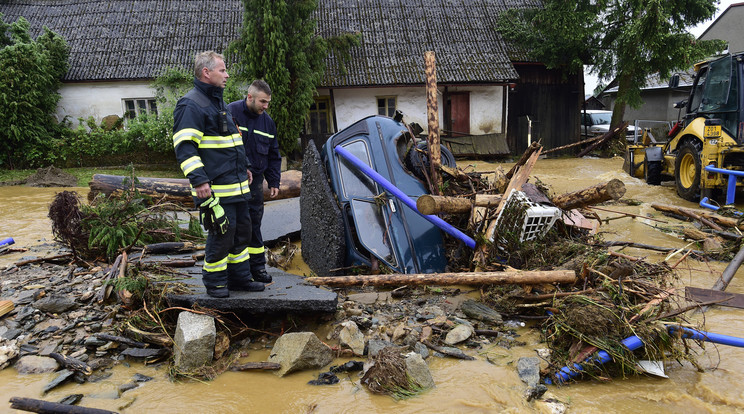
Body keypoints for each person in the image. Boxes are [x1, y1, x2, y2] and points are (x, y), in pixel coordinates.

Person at [172, 51, 264, 298]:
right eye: (222, 70)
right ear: (206, 72)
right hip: (215, 189)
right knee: (222, 234)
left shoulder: (219, 103)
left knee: (241, 232)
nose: (227, 74)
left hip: (236, 186)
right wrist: (199, 180)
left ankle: (240, 279)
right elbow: (185, 146)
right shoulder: (191, 104)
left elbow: (232, 143)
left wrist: (243, 166)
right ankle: (215, 282)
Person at [227, 80, 282, 284]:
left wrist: (274, 181)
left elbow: (274, 154)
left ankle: (257, 268)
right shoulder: (230, 113)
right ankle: (235, 271)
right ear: (249, 97)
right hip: (232, 180)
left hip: (256, 182)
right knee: (234, 226)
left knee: (254, 225)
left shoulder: (267, 122)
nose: (266, 106)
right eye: (263, 101)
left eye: (268, 102)